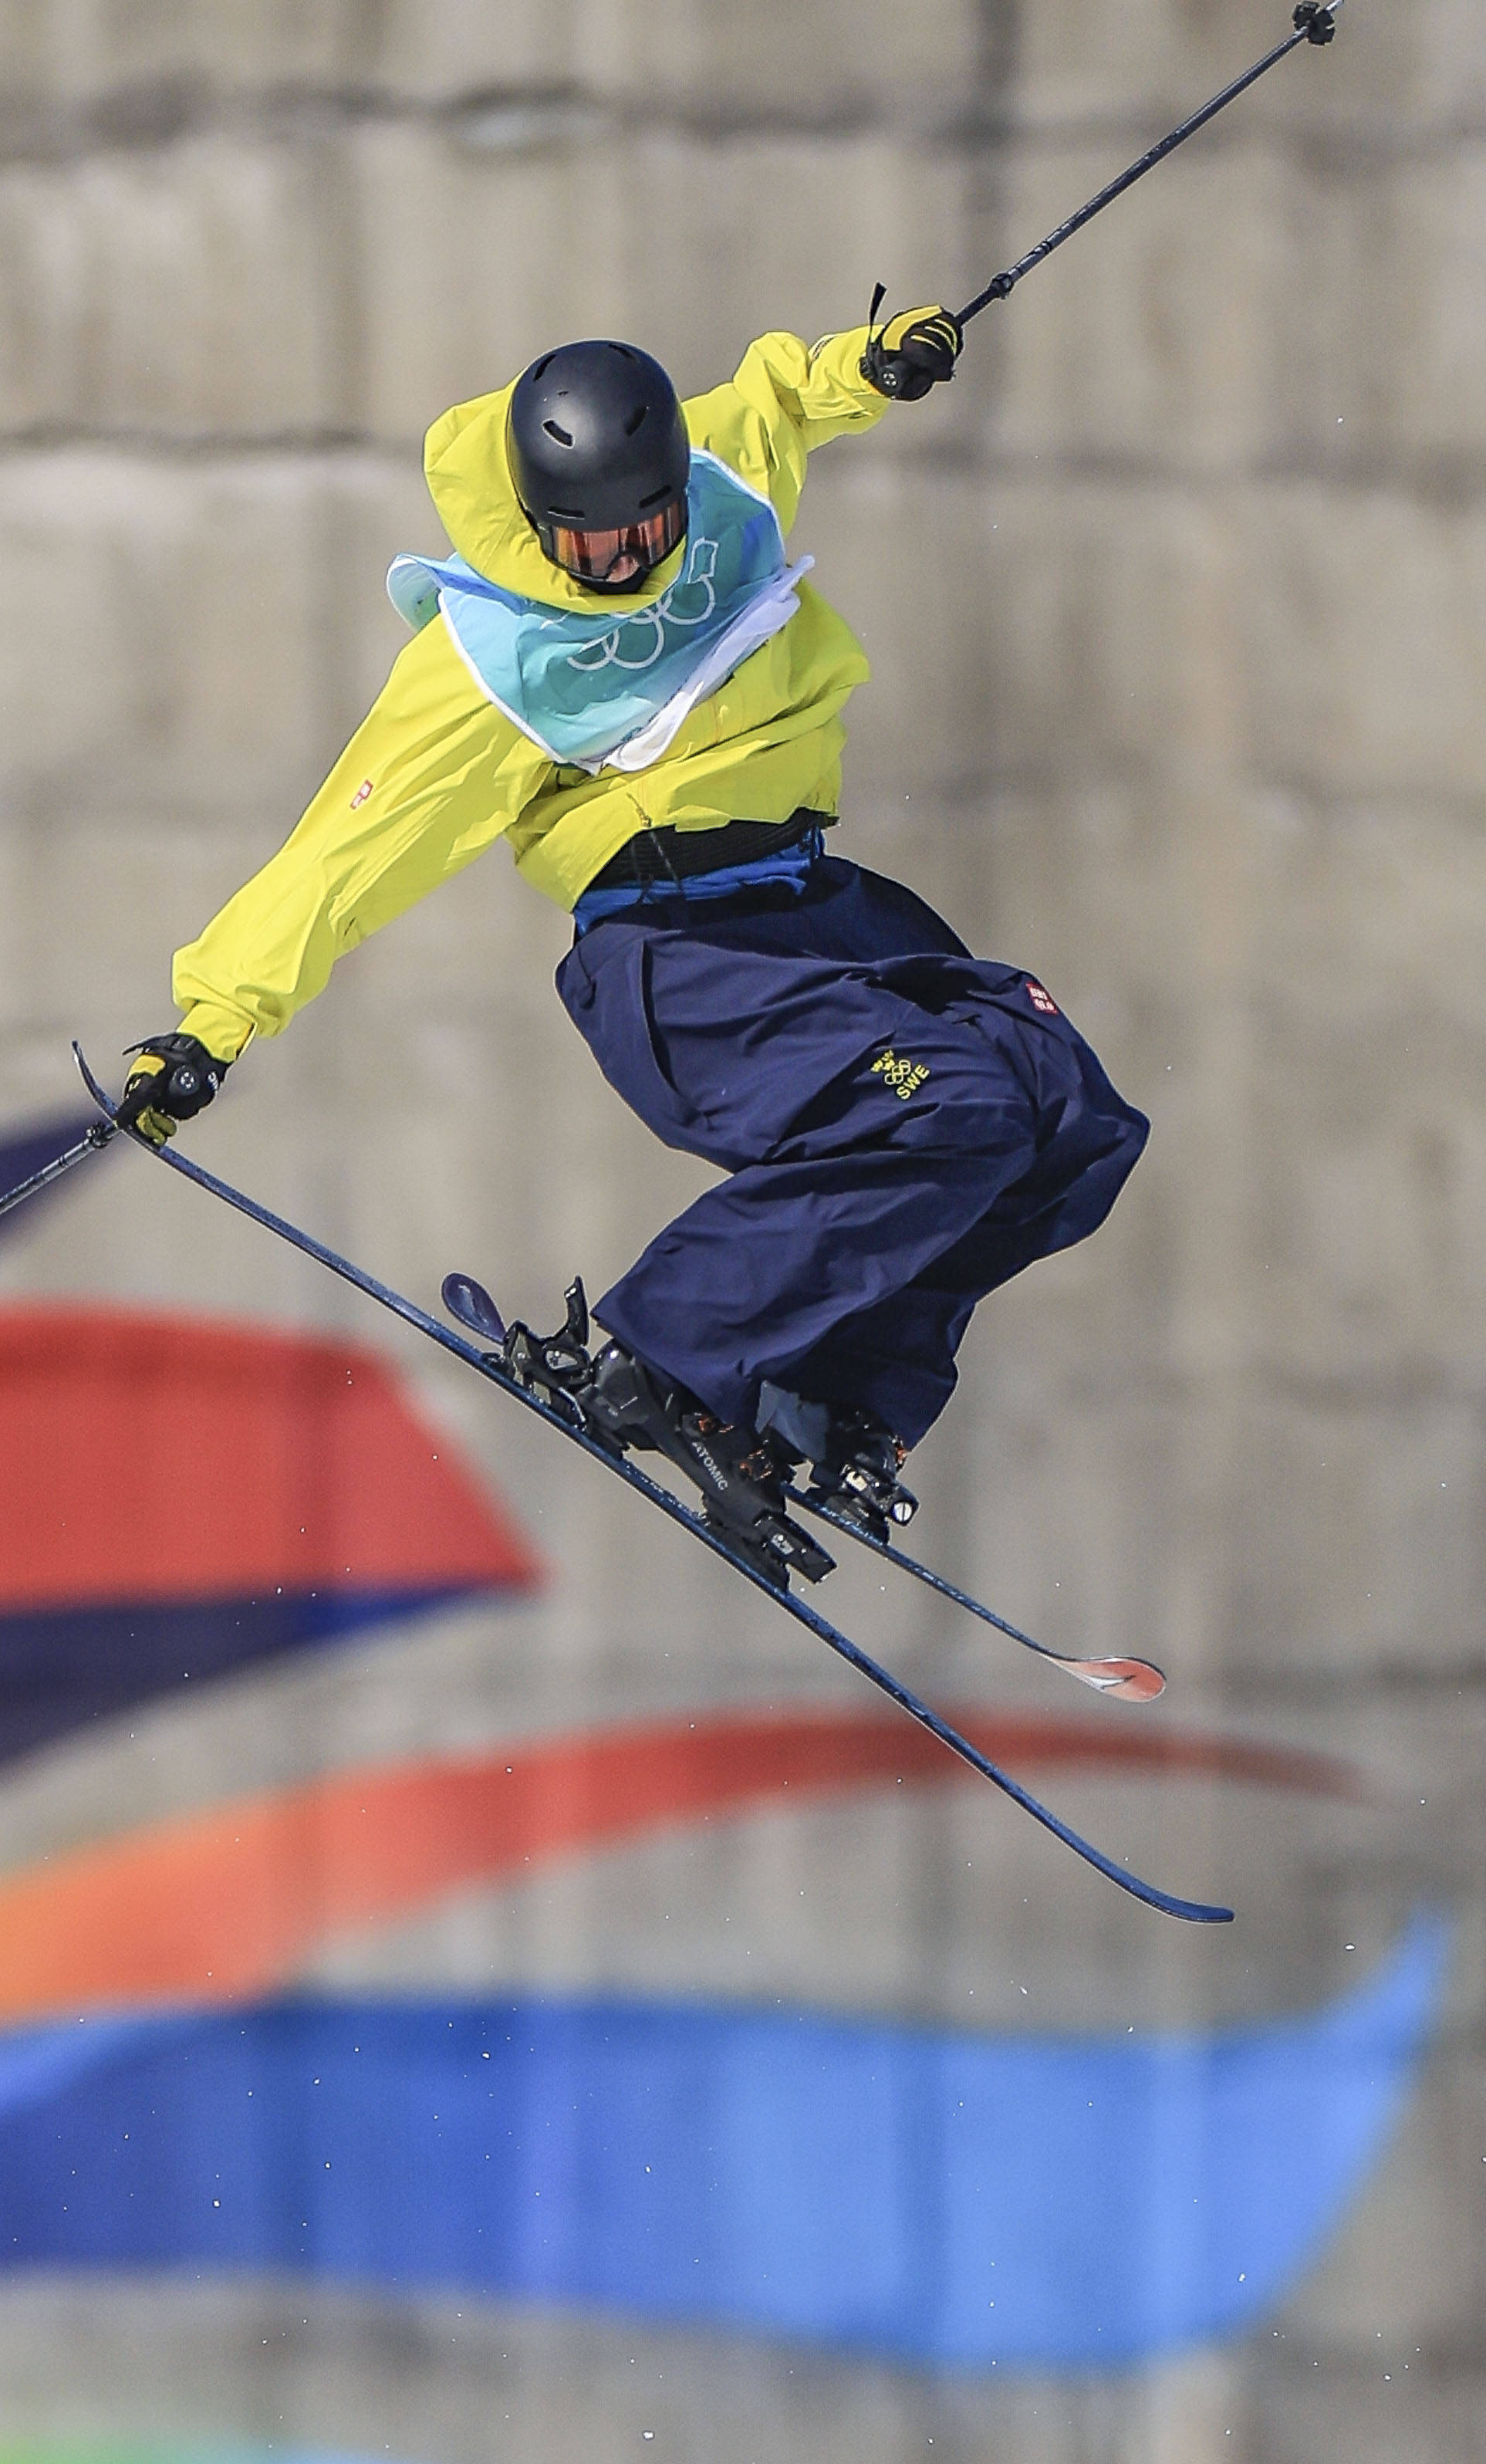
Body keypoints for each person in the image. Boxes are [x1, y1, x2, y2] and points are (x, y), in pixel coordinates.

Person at [116, 307, 1148, 1581]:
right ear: (537, 519)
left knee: (1069, 1113)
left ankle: (826, 1401)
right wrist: (209, 1022)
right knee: (948, 1110)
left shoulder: (709, 493)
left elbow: (771, 405)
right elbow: (341, 855)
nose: (622, 559)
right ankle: (661, 1360)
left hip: (809, 905)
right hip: (674, 952)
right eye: (587, 539)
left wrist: (867, 369)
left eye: (644, 528)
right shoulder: (490, 659)